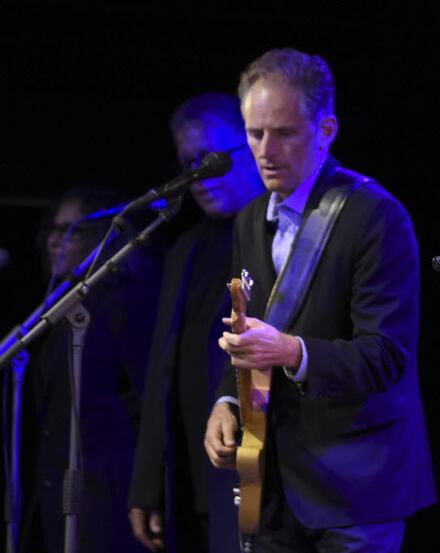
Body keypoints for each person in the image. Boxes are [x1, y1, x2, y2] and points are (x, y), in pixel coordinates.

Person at [203, 48, 436, 552]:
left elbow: (387, 356)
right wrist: (225, 400)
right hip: (274, 483)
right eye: (254, 133)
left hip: (357, 488)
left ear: (326, 129)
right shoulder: (248, 220)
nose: (266, 150)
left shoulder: (375, 216)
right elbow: (248, 333)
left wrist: (291, 351)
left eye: (284, 133)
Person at [127, 92, 264, 552]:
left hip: (249, 467)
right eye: (189, 162)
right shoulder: (183, 250)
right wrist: (148, 484)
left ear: (248, 146)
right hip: (189, 473)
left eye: (210, 157)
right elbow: (160, 373)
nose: (198, 175)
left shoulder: (273, 233)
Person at [22, 186, 161, 553]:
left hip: (108, 488)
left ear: (101, 238)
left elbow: (147, 397)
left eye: (74, 231)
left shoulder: (124, 303)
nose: (57, 240)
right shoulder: (56, 308)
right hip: (59, 484)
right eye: (53, 229)